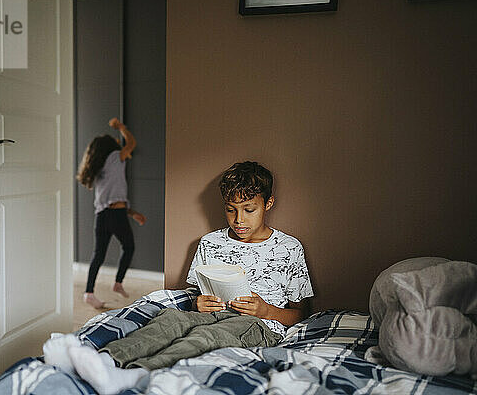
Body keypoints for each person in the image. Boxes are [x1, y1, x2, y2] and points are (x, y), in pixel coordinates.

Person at [48, 161, 313, 394]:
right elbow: (200, 291)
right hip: (212, 313)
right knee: (169, 320)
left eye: (248, 209)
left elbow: (300, 314)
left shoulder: (289, 248)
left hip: (257, 325)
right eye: (231, 209)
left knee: (206, 337)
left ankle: (131, 376)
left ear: (268, 204)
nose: (238, 219)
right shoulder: (211, 242)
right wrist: (200, 303)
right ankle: (103, 361)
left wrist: (265, 311)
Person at [76, 118, 147, 309]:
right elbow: (131, 144)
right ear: (111, 148)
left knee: (98, 255)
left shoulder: (98, 169)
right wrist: (121, 128)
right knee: (129, 246)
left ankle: (89, 293)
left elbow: (111, 198)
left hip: (102, 217)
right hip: (115, 216)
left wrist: (132, 213)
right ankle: (118, 282)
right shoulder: (115, 157)